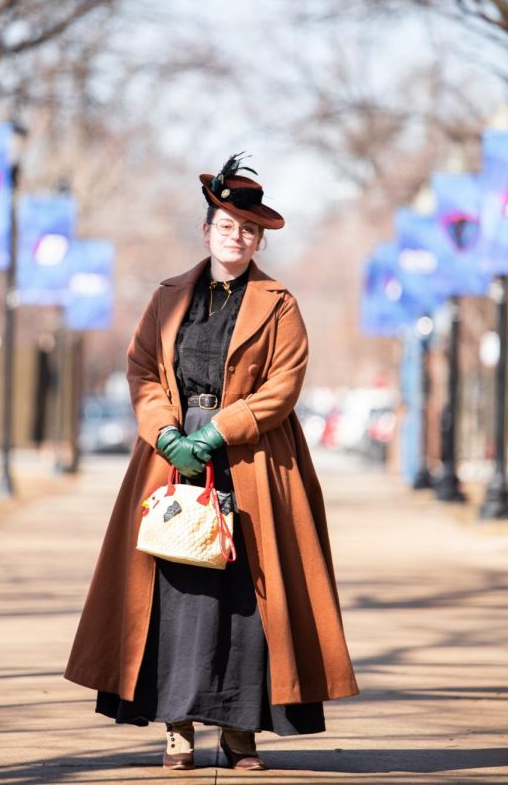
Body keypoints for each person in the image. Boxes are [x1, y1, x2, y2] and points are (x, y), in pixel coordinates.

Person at [65, 154, 359, 771]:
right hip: (169, 457)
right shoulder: (167, 297)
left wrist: (220, 431)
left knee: (245, 594)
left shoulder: (279, 303)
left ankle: (238, 733)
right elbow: (142, 369)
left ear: (259, 238)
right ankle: (176, 729)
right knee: (175, 587)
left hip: (250, 461)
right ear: (207, 230)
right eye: (227, 226)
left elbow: (284, 383)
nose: (238, 237)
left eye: (248, 230)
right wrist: (165, 432)